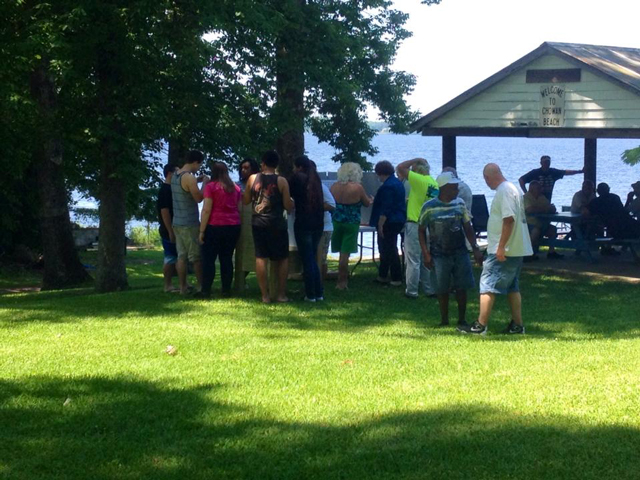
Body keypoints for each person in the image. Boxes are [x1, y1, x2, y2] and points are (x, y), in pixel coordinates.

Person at [458, 163, 533, 335]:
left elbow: (508, 219)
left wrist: (501, 247)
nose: (487, 183)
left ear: (488, 177)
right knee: (512, 287)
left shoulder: (504, 190)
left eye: (486, 179)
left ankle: (480, 325)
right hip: (516, 248)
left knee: (487, 284)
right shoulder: (513, 188)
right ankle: (517, 325)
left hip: (504, 249)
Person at [419, 172, 483, 327]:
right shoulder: (429, 207)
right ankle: (444, 319)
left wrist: (475, 248)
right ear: (444, 188)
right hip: (439, 253)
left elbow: (468, 227)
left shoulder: (460, 204)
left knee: (462, 286)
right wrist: (426, 253)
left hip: (459, 251)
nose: (457, 190)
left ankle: (462, 318)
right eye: (454, 187)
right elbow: (421, 230)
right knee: (442, 287)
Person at [243, 150, 294, 303]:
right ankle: (280, 294)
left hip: (258, 222)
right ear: (276, 164)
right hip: (277, 223)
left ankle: (264, 295)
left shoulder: (253, 178)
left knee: (261, 257)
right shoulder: (282, 181)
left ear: (263, 163)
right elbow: (287, 205)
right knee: (282, 258)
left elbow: (245, 200)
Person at [197, 162, 242, 298]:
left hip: (215, 225)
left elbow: (206, 209)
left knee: (209, 259)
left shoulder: (211, 187)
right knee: (226, 258)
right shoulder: (235, 188)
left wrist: (201, 231)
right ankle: (226, 289)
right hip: (233, 225)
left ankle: (206, 290)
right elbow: (239, 208)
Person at [396, 158, 439, 298]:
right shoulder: (434, 183)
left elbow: (400, 168)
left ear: (417, 171)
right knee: (425, 256)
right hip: (429, 225)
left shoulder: (418, 180)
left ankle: (412, 290)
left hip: (415, 223)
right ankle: (428, 288)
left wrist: (415, 160)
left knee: (413, 259)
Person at [171, 150, 209, 294]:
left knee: (181, 256)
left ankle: (182, 287)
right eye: (199, 165)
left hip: (177, 222)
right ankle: (201, 286)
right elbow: (199, 197)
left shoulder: (176, 174)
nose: (199, 168)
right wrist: (204, 183)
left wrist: (197, 180)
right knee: (195, 257)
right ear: (195, 162)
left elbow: (184, 187)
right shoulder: (189, 178)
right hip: (189, 223)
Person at [330, 162, 372, 290]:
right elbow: (366, 203)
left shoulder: (334, 186)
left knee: (339, 251)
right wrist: (371, 200)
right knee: (345, 253)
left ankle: (339, 278)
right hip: (351, 223)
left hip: (336, 222)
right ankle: (342, 281)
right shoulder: (357, 187)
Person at [289, 156, 326, 302]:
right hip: (318, 222)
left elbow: (288, 195)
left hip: (303, 221)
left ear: (298, 167)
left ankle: (310, 294)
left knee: (307, 259)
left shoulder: (297, 178)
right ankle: (319, 292)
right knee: (312, 257)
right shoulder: (315, 179)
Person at [370, 160, 406, 287]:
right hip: (398, 219)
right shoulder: (397, 182)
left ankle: (396, 277)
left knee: (388, 248)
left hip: (390, 221)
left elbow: (387, 207)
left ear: (381, 173)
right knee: (385, 247)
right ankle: (383, 274)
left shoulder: (387, 186)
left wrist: (380, 224)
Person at [524, 180, 563, 260]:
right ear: (531, 190)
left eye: (540, 188)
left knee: (553, 230)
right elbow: (529, 209)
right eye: (538, 188)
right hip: (529, 224)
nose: (540, 190)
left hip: (542, 223)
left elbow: (551, 207)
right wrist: (545, 209)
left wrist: (550, 209)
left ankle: (551, 252)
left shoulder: (541, 197)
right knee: (536, 231)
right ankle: (527, 254)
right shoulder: (526, 197)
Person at [236, 158, 261, 284]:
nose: (243, 170)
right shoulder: (236, 186)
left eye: (247, 168)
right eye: (242, 168)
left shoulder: (260, 185)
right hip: (240, 222)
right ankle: (240, 281)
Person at [519, 155, 583, 201]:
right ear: (541, 163)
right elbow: (521, 180)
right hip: (535, 201)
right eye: (545, 162)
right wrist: (526, 193)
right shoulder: (535, 173)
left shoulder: (553, 172)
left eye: (548, 162)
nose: (547, 164)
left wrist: (580, 171)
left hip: (547, 201)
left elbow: (566, 172)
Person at [157, 164, 178, 292]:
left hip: (173, 227)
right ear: (170, 173)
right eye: (176, 172)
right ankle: (167, 285)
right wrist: (170, 230)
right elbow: (164, 212)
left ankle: (181, 283)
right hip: (168, 229)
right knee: (170, 257)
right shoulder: (165, 190)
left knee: (176, 256)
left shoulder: (172, 189)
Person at [315, 162, 336, 280]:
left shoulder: (321, 187)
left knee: (322, 258)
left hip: (325, 226)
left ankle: (321, 282)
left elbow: (332, 204)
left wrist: (312, 207)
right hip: (313, 226)